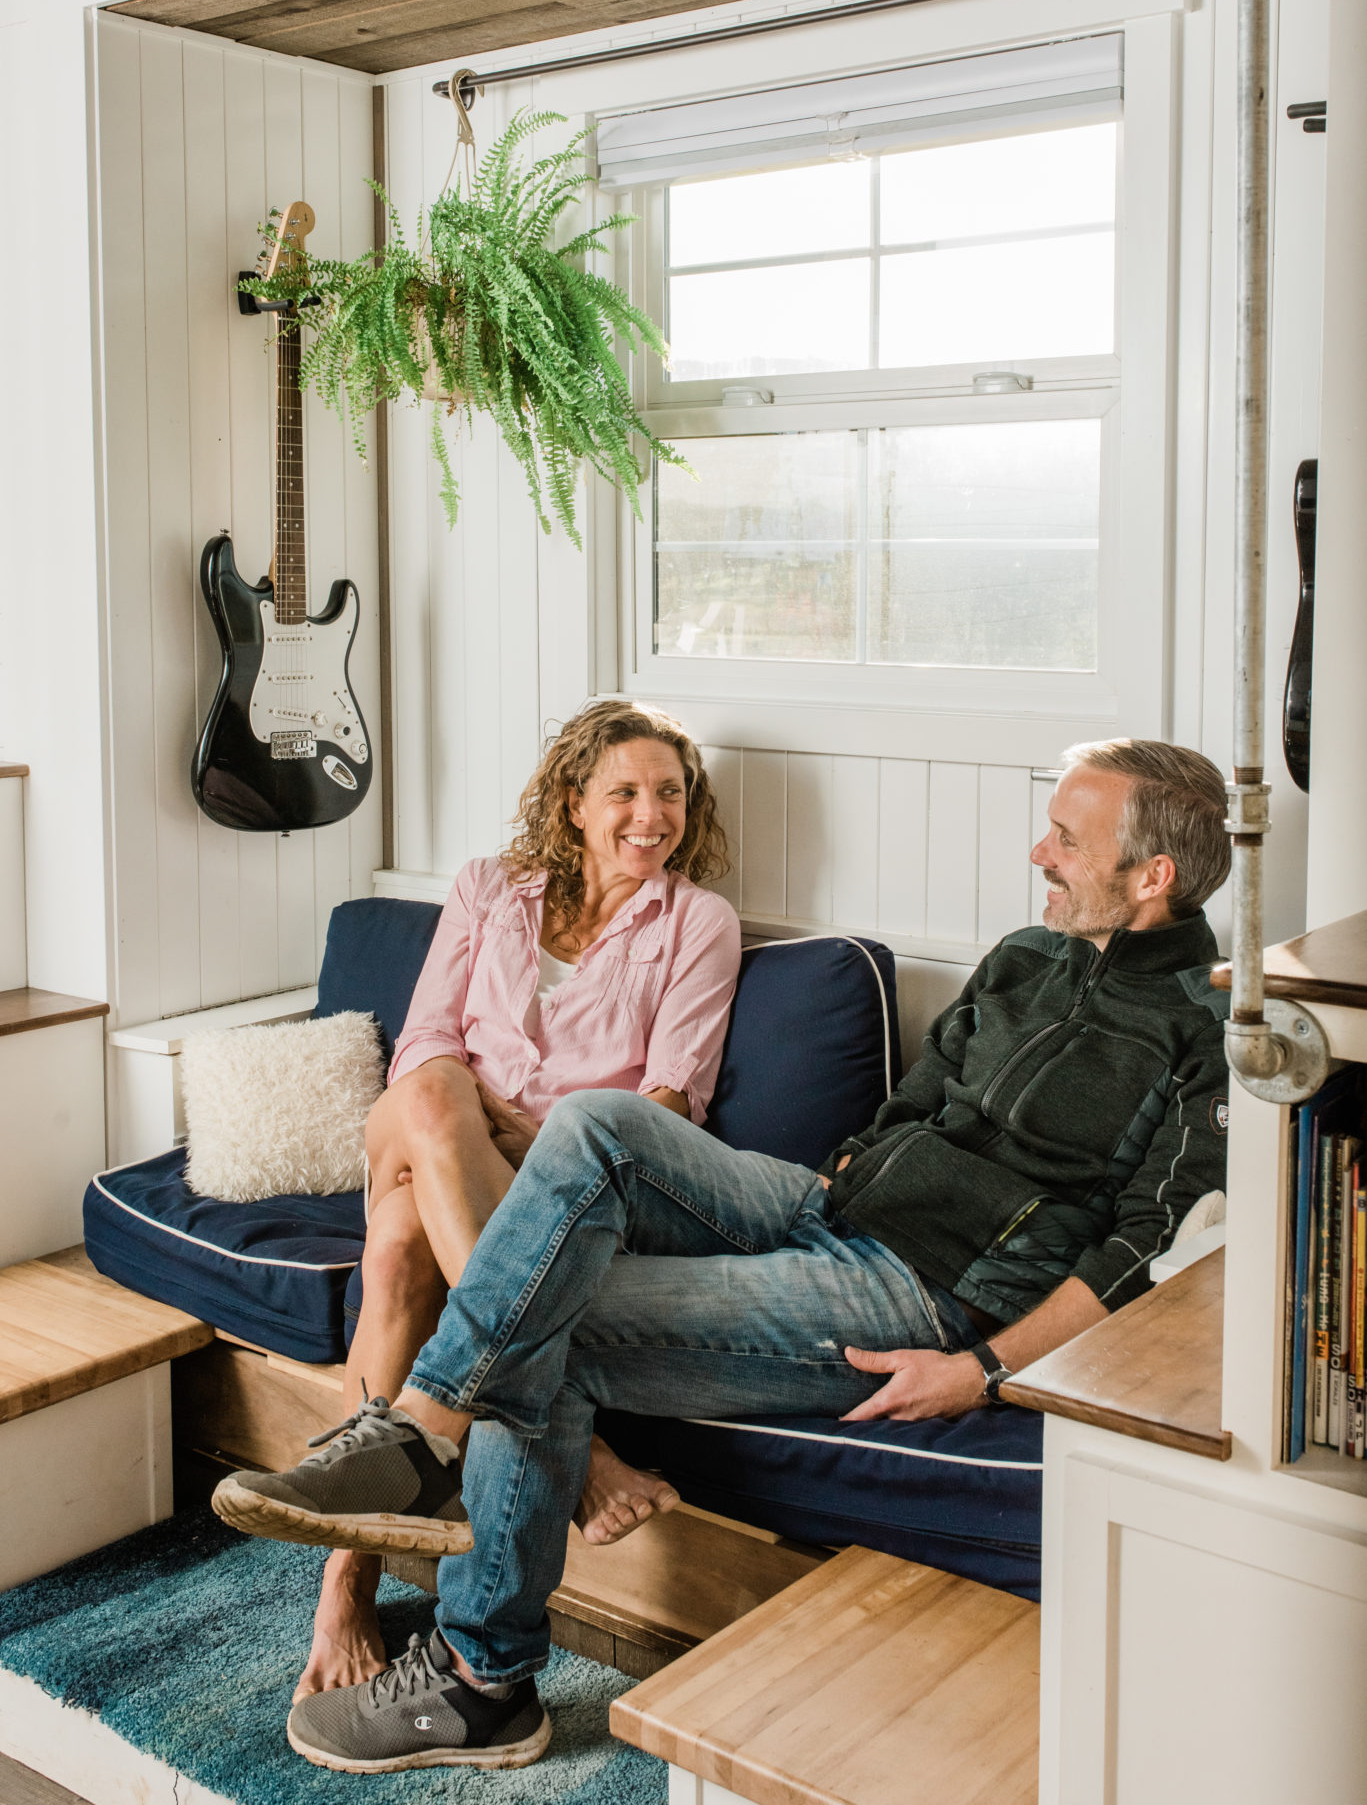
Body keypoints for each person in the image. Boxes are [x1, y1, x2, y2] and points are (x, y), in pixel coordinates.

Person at [216, 738, 1233, 1775]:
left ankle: (479, 1674)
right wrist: (836, 1178)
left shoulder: (1207, 1029)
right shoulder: (1024, 954)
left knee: (545, 1313)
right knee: (596, 1125)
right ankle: (428, 1444)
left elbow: (1138, 1255)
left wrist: (981, 1367)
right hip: (820, 1204)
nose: (1037, 851)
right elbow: (912, 1107)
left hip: (915, 1290)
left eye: (1064, 837)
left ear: (1149, 875)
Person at [216, 698, 740, 1707]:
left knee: (403, 1236)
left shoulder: (696, 922)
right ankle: (578, 1443)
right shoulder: (489, 889)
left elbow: (670, 1103)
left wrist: (530, 1140)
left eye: (669, 792)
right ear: (573, 801)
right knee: (425, 1090)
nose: (651, 813)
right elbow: (423, 1040)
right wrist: (467, 1115)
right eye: (624, 791)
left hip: (570, 1181)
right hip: (428, 1123)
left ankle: (344, 1582)